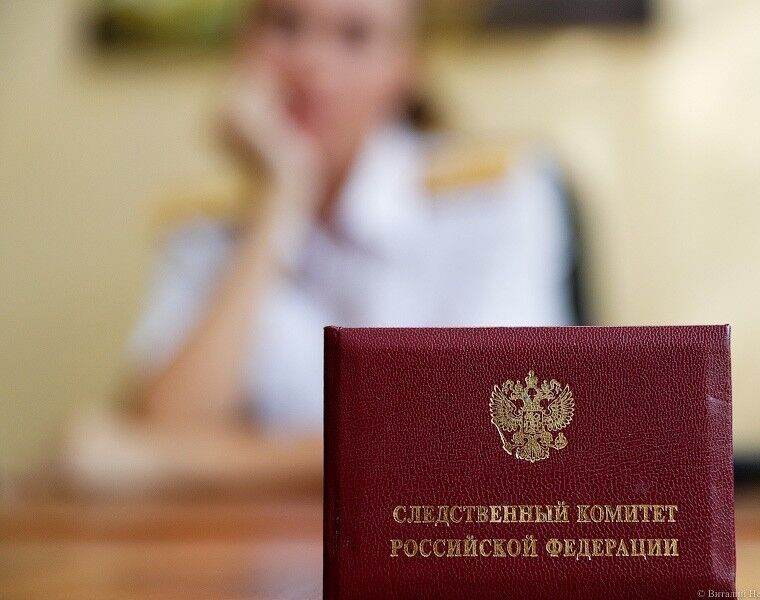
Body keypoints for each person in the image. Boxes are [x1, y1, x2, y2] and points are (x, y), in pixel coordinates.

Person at [61, 0, 579, 497]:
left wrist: (191, 464)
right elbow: (164, 426)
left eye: (355, 34)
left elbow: (491, 434)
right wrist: (279, 199)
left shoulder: (497, 195)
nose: (311, 62)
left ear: (408, 66)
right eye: (285, 24)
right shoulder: (207, 226)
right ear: (243, 43)